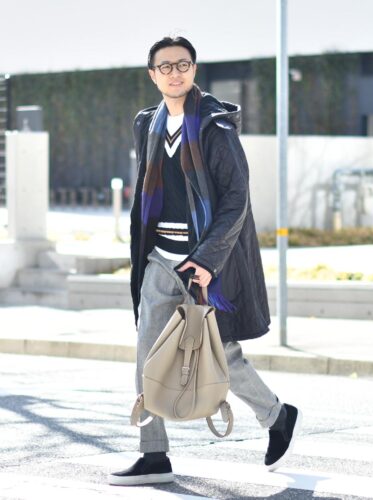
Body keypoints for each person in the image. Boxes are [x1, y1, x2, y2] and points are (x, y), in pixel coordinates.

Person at [109, 36, 301, 486]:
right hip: (160, 258)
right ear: (153, 75)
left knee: (222, 355)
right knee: (147, 356)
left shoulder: (216, 126)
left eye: (183, 64)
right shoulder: (148, 123)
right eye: (165, 66)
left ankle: (277, 416)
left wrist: (209, 260)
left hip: (206, 264)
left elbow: (236, 199)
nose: (174, 72)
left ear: (193, 70)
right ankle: (153, 454)